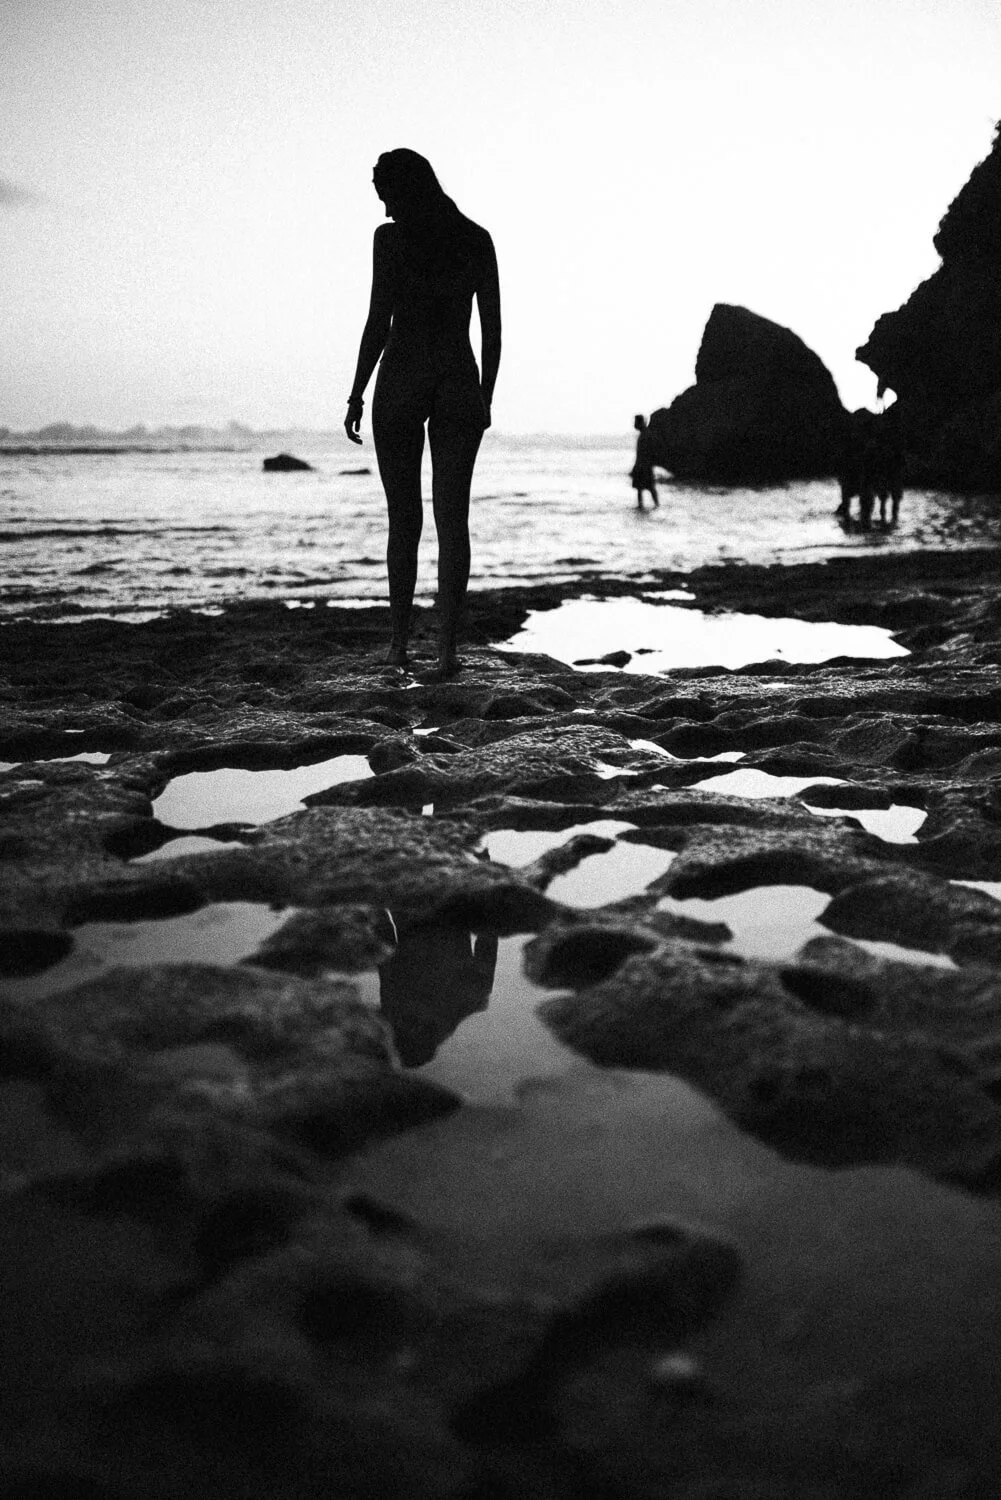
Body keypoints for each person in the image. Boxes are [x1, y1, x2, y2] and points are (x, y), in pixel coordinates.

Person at [344, 149, 501, 677]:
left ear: (407, 187)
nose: (384, 205)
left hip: (405, 376)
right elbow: (492, 330)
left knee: (405, 520)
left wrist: (356, 392)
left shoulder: (390, 242)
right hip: (458, 378)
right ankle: (447, 651)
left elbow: (377, 320)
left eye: (386, 192)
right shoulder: (474, 238)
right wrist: (485, 394)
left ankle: (399, 648)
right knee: (451, 519)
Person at [630, 413, 659, 509]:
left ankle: (654, 505)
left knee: (648, 487)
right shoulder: (645, 434)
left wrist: (638, 466)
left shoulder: (645, 435)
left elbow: (646, 452)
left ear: (640, 423)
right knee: (643, 488)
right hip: (644, 465)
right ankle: (648, 505)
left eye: (635, 422)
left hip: (644, 465)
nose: (634, 425)